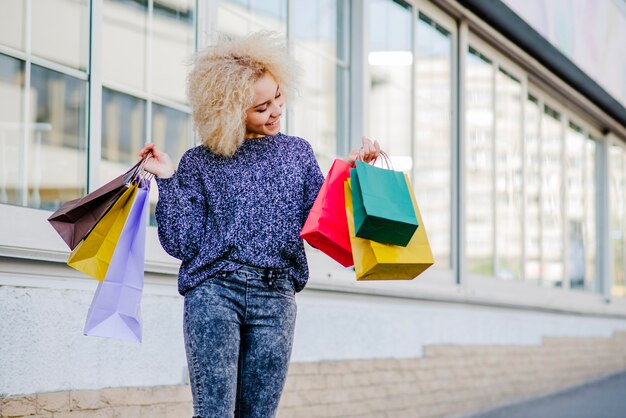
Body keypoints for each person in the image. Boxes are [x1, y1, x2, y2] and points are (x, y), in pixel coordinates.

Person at [138, 32, 380, 418]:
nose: (275, 111)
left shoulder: (297, 153)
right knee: (214, 413)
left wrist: (352, 171)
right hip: (214, 295)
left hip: (276, 298)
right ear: (229, 110)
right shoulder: (199, 162)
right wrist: (168, 180)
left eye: (278, 97)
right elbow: (181, 242)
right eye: (261, 106)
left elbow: (321, 222)